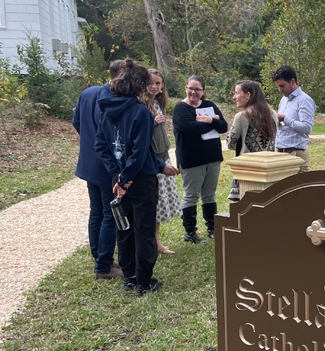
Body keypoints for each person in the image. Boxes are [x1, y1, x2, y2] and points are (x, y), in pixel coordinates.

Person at [95, 59, 179, 296]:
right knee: (142, 229)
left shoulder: (107, 109)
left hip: (121, 180)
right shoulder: (141, 112)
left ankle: (129, 276)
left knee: (125, 227)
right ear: (139, 84)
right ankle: (143, 280)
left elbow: (101, 146)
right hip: (139, 180)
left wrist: (118, 176)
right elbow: (140, 151)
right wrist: (125, 178)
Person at [72, 60, 125, 280]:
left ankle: (99, 257)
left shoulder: (87, 93)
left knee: (96, 212)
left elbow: (76, 122)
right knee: (108, 215)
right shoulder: (112, 99)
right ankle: (103, 266)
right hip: (106, 165)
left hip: (88, 162)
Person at [172, 75, 228, 243]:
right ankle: (190, 232)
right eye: (190, 88)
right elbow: (191, 128)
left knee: (209, 195)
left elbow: (223, 126)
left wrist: (209, 119)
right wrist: (213, 123)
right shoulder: (180, 109)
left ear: (203, 91)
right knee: (191, 195)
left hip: (212, 157)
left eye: (197, 89)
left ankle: (212, 228)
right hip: (191, 159)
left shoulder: (209, 106)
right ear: (185, 88)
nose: (193, 92)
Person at [142, 68, 181, 254]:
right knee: (152, 203)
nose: (154, 87)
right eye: (151, 83)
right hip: (152, 159)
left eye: (158, 83)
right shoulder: (140, 105)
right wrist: (153, 122)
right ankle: (152, 243)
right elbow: (138, 134)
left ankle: (156, 243)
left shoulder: (158, 103)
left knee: (159, 204)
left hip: (163, 155)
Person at [226, 80, 277, 202]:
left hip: (248, 173)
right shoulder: (273, 115)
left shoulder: (241, 117)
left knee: (247, 212)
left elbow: (230, 143)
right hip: (269, 171)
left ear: (248, 95)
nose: (234, 97)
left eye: (236, 93)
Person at [273, 65, 316, 173]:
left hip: (296, 155)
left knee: (298, 189)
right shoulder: (283, 100)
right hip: (280, 153)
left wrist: (284, 119)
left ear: (292, 81)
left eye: (282, 85)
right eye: (278, 86)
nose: (280, 90)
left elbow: (307, 128)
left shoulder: (304, 100)